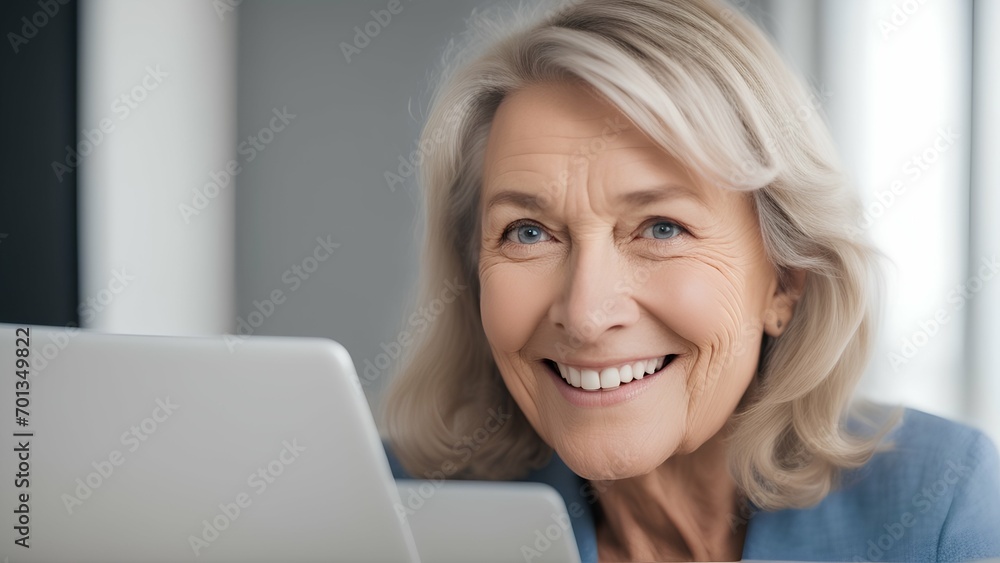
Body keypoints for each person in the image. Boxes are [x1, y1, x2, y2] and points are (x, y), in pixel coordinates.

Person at [381, 0, 1000, 560]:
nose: (587, 312)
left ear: (787, 279)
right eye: (528, 233)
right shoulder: (388, 511)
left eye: (661, 228)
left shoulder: (940, 505)